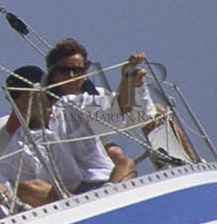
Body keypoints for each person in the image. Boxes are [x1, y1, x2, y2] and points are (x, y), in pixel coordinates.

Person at [43, 38, 145, 185]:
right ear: (54, 75)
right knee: (118, 156)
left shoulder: (95, 97)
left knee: (118, 155)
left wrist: (133, 82)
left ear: (85, 73)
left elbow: (123, 108)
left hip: (95, 160)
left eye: (78, 70)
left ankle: (172, 161)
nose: (71, 75)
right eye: (65, 70)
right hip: (65, 175)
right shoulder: (44, 107)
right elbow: (122, 107)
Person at [0, 66, 59, 206]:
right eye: (11, 97)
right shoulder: (7, 134)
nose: (14, 101)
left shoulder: (72, 116)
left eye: (16, 94)